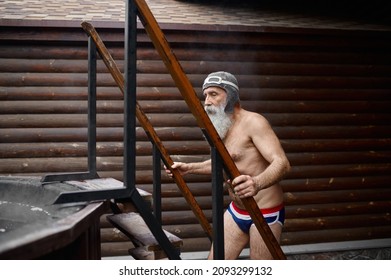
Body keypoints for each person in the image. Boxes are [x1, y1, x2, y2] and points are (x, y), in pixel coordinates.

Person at [165, 71, 291, 259]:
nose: (207, 101)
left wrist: (256, 183)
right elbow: (224, 163)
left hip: (265, 211)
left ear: (231, 95)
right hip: (237, 210)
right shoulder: (220, 126)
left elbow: (282, 163)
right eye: (205, 95)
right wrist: (189, 168)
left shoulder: (253, 122)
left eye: (214, 94)